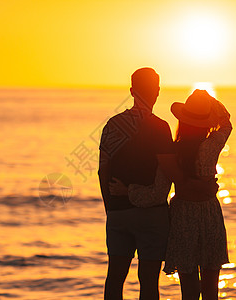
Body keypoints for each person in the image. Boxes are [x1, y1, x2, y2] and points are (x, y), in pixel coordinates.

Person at [110, 89, 232, 300]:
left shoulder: (173, 152)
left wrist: (127, 190)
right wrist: (209, 101)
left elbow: (157, 193)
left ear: (183, 121)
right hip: (210, 212)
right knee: (211, 289)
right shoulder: (212, 145)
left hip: (183, 215)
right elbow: (227, 122)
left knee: (189, 289)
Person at [98, 67, 174, 300]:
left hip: (119, 212)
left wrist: (110, 207)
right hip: (151, 215)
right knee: (149, 280)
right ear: (157, 91)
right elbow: (168, 173)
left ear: (132, 91)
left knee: (115, 277)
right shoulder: (161, 127)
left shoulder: (113, 125)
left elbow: (103, 170)